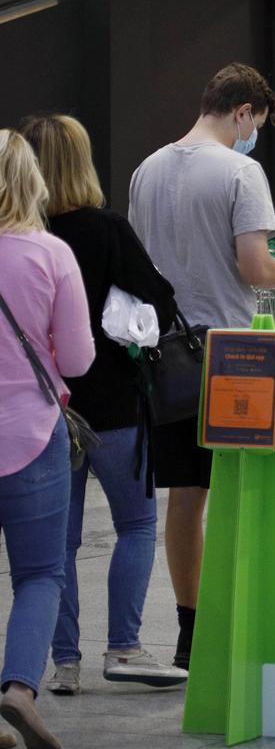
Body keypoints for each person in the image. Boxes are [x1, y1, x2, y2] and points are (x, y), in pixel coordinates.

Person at [128, 63, 275, 668]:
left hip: (165, 357)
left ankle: (192, 629)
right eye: (254, 124)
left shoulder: (146, 169)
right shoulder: (242, 171)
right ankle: (240, 617)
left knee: (187, 494)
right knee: (242, 486)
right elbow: (254, 268)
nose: (252, 135)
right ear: (243, 112)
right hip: (234, 353)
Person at [19, 114, 189, 695]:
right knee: (136, 526)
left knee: (56, 545)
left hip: (46, 414)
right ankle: (124, 645)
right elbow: (162, 304)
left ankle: (64, 663)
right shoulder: (107, 229)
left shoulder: (20, 239)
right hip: (114, 405)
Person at [0, 129, 95, 749]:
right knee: (40, 573)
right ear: (30, 181)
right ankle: (16, 692)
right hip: (32, 435)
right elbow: (81, 359)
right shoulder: (51, 254)